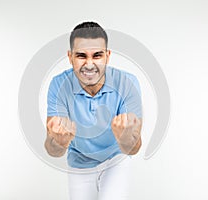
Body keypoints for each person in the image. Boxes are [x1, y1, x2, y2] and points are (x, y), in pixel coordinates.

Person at [44, 21, 143, 200]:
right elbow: (53, 150)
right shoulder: (58, 85)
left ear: (107, 55)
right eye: (81, 56)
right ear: (70, 57)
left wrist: (126, 137)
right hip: (79, 163)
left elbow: (134, 148)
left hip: (115, 159)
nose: (89, 64)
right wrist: (59, 142)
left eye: (97, 55)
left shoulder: (128, 83)